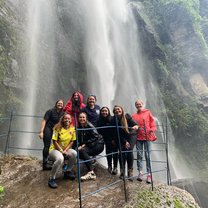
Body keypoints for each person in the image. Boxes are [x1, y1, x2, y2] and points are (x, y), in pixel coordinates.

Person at [48, 113, 77, 188]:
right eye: (65, 118)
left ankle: (67, 171)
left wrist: (66, 150)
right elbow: (54, 141)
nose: (67, 120)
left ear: (71, 120)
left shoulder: (72, 129)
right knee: (60, 158)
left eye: (69, 119)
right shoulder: (57, 128)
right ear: (62, 119)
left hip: (65, 149)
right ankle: (51, 178)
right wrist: (61, 151)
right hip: (54, 149)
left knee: (74, 153)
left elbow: (72, 141)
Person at [132, 99, 157, 184]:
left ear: (142, 104)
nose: (138, 105)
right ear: (135, 106)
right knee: (139, 155)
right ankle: (140, 173)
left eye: (140, 104)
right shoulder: (134, 116)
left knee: (147, 155)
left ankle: (149, 174)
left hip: (147, 137)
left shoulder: (147, 112)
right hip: (138, 138)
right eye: (137, 104)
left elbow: (152, 123)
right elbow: (132, 126)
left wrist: (152, 129)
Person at [112, 105, 139, 180]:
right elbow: (118, 133)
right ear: (114, 112)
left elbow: (135, 124)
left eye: (118, 109)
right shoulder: (114, 120)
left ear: (122, 109)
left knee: (129, 150)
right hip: (122, 137)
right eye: (115, 110)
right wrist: (124, 142)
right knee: (122, 151)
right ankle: (122, 172)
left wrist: (136, 126)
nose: (117, 111)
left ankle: (130, 172)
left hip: (131, 135)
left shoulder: (127, 116)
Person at [77, 112, 104, 181]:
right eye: (80, 117)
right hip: (91, 145)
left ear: (86, 118)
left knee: (82, 150)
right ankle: (91, 161)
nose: (82, 119)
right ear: (78, 118)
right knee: (76, 152)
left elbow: (95, 136)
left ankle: (91, 173)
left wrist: (84, 145)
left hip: (98, 144)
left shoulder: (89, 125)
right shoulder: (79, 127)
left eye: (83, 117)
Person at [39, 99, 65, 170]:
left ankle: (54, 160)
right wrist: (41, 132)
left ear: (63, 105)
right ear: (56, 104)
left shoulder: (63, 113)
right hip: (48, 128)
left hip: (56, 130)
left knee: (58, 145)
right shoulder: (50, 111)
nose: (60, 105)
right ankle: (45, 163)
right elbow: (44, 120)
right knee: (47, 145)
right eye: (59, 103)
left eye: (61, 104)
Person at [97, 107, 118, 175]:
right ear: (101, 112)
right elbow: (98, 130)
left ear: (108, 112)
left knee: (115, 152)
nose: (104, 112)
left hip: (114, 138)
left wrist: (114, 139)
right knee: (108, 152)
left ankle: (115, 167)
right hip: (106, 139)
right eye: (103, 111)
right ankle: (109, 166)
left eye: (106, 111)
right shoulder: (99, 120)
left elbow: (115, 130)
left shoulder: (112, 119)